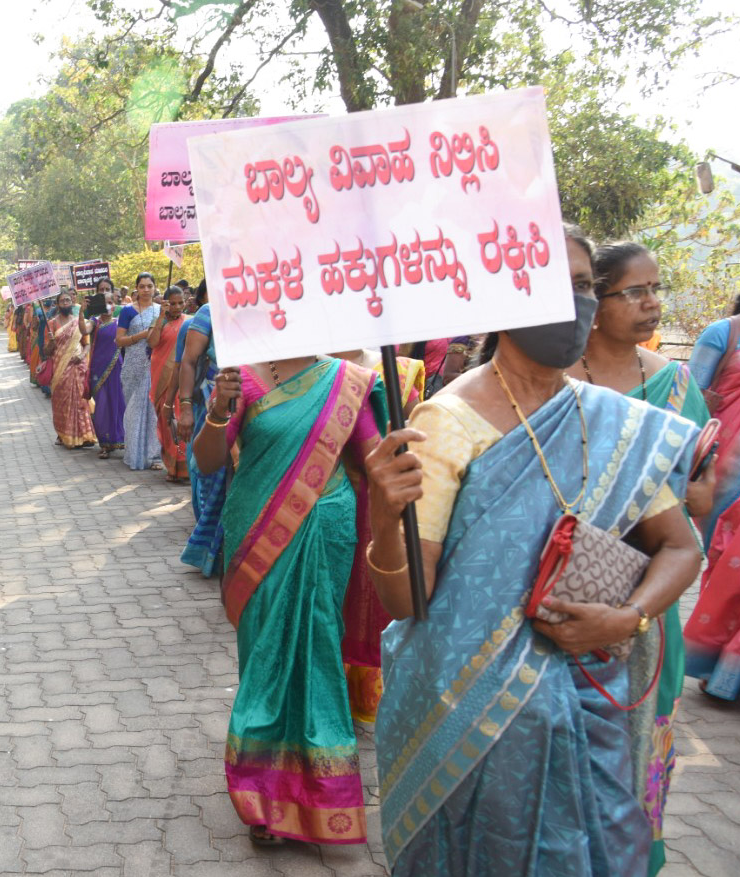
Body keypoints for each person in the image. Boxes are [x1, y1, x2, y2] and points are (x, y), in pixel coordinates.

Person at [364, 226, 703, 875]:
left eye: (583, 286)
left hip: (591, 712)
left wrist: (627, 617)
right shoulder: (448, 421)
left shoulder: (611, 419)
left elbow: (680, 549)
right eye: (555, 284)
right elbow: (407, 598)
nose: (575, 302)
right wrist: (385, 519)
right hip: (476, 728)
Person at [191, 348, 387, 847]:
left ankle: (319, 791)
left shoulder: (344, 380)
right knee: (265, 656)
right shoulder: (242, 379)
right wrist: (217, 411)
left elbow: (374, 461)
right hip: (258, 528)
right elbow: (208, 461)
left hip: (327, 530)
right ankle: (261, 793)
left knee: (318, 650)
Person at [575, 239, 711, 873]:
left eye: (656, 290)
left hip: (650, 596)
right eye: (635, 291)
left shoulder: (675, 385)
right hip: (568, 589)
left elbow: (701, 495)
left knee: (637, 751)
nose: (652, 303)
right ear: (592, 303)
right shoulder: (556, 385)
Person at [331, 347, 424, 721]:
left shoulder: (397, 371)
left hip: (383, 507)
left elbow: (416, 436)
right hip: (326, 508)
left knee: (376, 597)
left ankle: (369, 697)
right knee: (335, 601)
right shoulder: (304, 368)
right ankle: (327, 693)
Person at [684, 264, 740, 702]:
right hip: (725, 461)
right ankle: (715, 658)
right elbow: (691, 396)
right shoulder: (723, 334)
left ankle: (734, 668)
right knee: (722, 556)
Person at [177, 282, 228, 577]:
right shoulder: (209, 312)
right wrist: (185, 407)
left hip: (263, 401)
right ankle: (213, 550)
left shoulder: (266, 310)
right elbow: (189, 360)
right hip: (215, 402)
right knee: (209, 472)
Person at [118, 273, 164, 470]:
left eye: (149, 286)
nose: (146, 290)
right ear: (136, 288)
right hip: (133, 365)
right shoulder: (127, 311)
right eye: (142, 286)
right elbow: (119, 341)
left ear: (154, 288)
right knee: (133, 411)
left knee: (153, 410)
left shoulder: (161, 311)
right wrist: (143, 335)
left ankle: (154, 456)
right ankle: (134, 453)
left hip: (155, 364)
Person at [149, 285, 189, 481]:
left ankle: (182, 469)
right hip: (161, 379)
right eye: (172, 303)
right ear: (165, 303)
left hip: (183, 379)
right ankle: (171, 467)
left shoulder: (190, 322)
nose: (177, 307)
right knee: (167, 420)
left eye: (180, 302)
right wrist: (160, 318)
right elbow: (152, 343)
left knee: (181, 420)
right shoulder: (160, 321)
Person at [47, 289, 96, 449]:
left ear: (72, 302)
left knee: (80, 401)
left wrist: (82, 356)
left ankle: (84, 435)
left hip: (78, 365)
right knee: (62, 401)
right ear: (57, 304)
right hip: (60, 368)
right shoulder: (52, 324)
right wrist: (51, 344)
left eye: (68, 300)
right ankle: (63, 434)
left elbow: (87, 344)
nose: (66, 303)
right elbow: (46, 351)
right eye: (62, 301)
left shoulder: (79, 322)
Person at [85, 286, 125, 458]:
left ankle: (119, 440)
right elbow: (83, 331)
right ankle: (104, 443)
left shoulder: (120, 323)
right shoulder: (94, 321)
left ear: (115, 305)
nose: (108, 306)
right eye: (104, 303)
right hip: (97, 369)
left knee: (117, 403)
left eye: (110, 302)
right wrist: (82, 312)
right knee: (101, 405)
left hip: (116, 367)